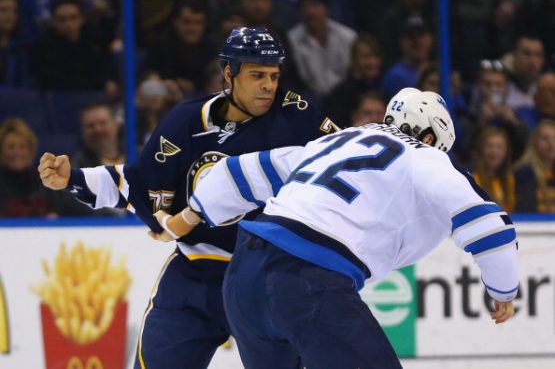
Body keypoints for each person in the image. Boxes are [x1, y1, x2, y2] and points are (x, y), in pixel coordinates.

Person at [149, 88, 519, 369]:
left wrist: (189, 216)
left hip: (243, 279)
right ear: (429, 138)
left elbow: (233, 173)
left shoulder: (334, 141)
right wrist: (503, 288)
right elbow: (489, 226)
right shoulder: (429, 159)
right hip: (307, 280)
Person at [37, 27, 338, 369]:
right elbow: (138, 182)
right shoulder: (185, 123)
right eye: (257, 75)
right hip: (198, 275)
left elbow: (346, 160)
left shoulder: (296, 116)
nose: (269, 85)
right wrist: (71, 179)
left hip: (269, 278)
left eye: (274, 75)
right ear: (229, 73)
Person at [0, 118, 56, 217]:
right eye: (11, 147)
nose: (17, 152)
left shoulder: (44, 182)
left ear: (30, 150)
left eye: (22, 147)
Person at [514, 119, 555, 213]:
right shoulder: (524, 173)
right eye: (545, 138)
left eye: (554, 138)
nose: (551, 143)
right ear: (534, 142)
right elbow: (525, 210)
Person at [472, 127, 515, 212]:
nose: (494, 151)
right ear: (481, 150)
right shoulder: (473, 180)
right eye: (489, 146)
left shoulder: (509, 178)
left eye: (499, 147)